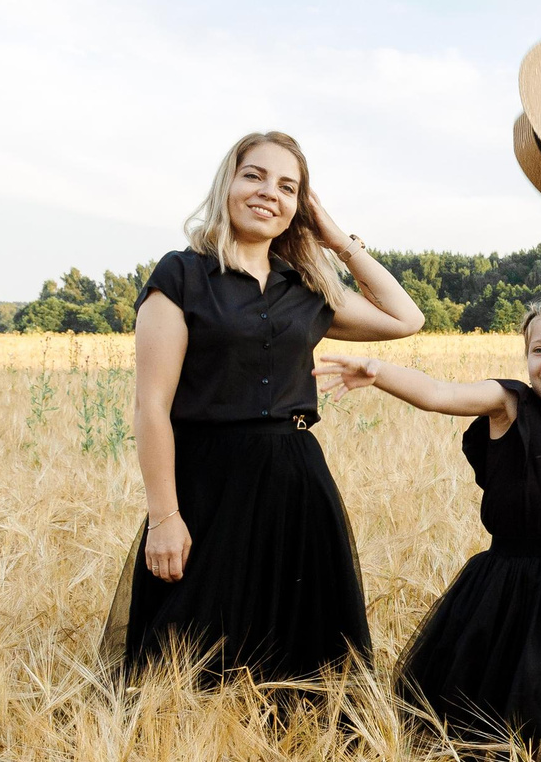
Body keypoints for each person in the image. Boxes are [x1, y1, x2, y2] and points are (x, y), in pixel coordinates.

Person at [112, 130, 425, 686]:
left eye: (288, 187)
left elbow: (406, 318)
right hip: (208, 480)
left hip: (297, 480)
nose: (267, 193)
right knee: (186, 653)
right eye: (253, 175)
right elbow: (151, 405)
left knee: (299, 656)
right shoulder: (181, 275)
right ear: (227, 183)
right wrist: (164, 516)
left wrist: (336, 240)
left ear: (299, 207)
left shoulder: (307, 287)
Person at [315, 295, 541, 762]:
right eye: (538, 349)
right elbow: (440, 395)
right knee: (511, 733)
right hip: (507, 591)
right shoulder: (510, 403)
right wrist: (378, 370)